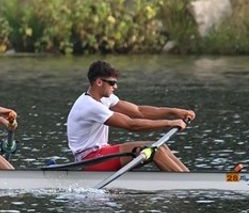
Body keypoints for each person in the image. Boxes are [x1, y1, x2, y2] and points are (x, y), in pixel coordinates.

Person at [66, 60, 194, 172]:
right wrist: (169, 123)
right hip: (90, 160)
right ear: (99, 82)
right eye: (112, 83)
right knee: (154, 150)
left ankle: (188, 178)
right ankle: (190, 185)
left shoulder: (105, 98)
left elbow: (139, 111)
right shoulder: (90, 106)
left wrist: (173, 112)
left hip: (101, 153)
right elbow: (131, 125)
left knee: (161, 147)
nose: (115, 86)